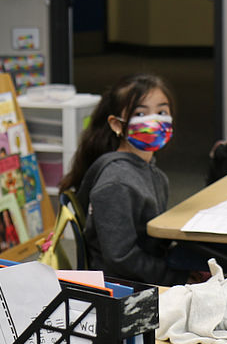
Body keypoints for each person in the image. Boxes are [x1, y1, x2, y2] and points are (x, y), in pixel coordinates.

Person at [59, 73, 195, 286]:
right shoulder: (116, 184)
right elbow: (121, 259)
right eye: (141, 113)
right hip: (122, 288)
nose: (154, 121)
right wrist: (179, 278)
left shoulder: (152, 172)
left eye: (162, 112)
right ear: (117, 125)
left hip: (145, 272)